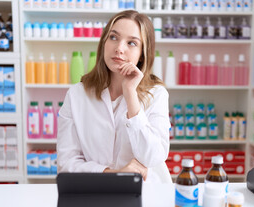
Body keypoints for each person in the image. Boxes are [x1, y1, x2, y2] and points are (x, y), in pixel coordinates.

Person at [57, 10, 171, 183]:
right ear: (104, 42)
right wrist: (114, 174)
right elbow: (66, 165)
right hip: (94, 192)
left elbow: (153, 157)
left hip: (146, 193)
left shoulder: (156, 94)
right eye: (113, 37)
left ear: (142, 54)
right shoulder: (76, 95)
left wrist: (131, 95)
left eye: (132, 43)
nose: (119, 48)